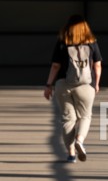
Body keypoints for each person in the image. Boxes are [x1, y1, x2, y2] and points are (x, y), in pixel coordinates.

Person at [44, 14, 102, 163]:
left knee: (68, 119)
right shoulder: (91, 42)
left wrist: (48, 85)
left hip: (64, 84)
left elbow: (56, 66)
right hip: (85, 85)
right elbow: (97, 65)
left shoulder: (63, 42)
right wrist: (96, 84)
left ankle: (71, 153)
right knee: (85, 116)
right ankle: (79, 140)